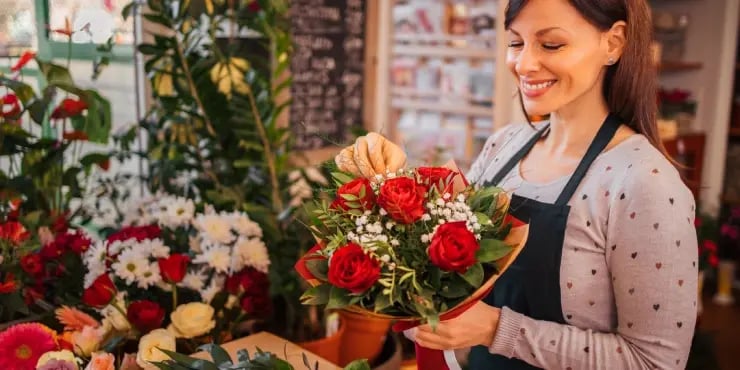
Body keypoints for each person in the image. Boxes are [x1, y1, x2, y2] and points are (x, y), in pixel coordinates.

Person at [406, 0, 698, 369]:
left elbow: (656, 362)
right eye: (516, 42)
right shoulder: (503, 146)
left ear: (613, 43)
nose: (524, 64)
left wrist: (496, 329)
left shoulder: (643, 182)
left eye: (551, 44)